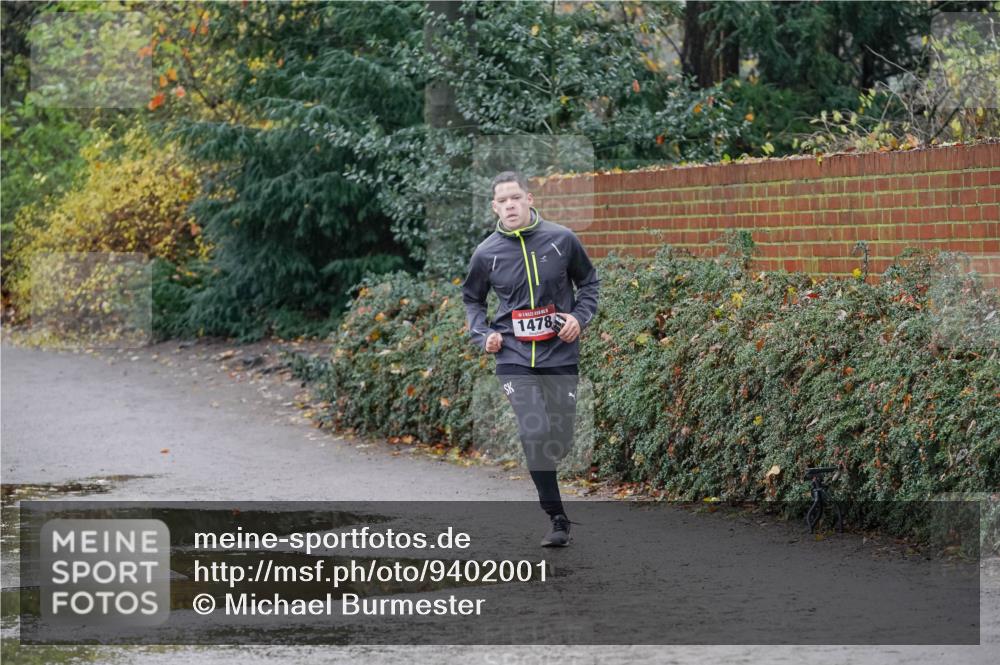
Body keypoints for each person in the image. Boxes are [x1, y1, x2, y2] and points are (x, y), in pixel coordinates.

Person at [462, 171, 600, 547]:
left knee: (560, 438)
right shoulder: (486, 252)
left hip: (560, 354)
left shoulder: (562, 239)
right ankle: (556, 518)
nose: (509, 205)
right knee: (533, 431)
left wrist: (578, 318)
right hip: (514, 356)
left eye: (515, 198)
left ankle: (552, 470)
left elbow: (589, 283)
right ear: (494, 207)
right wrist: (484, 334)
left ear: (529, 199)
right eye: (502, 200)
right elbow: (472, 299)